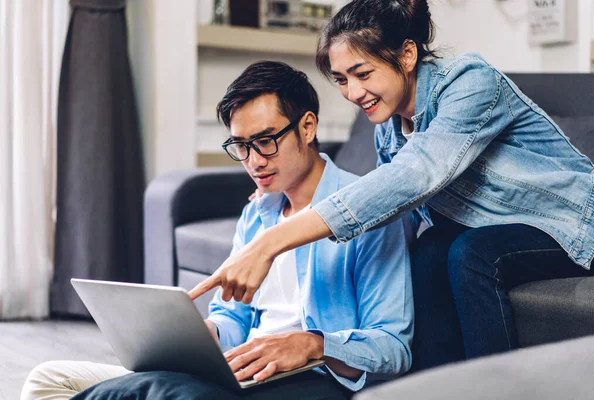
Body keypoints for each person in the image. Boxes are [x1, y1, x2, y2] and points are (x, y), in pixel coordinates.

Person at [189, 0, 594, 372]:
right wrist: (279, 191)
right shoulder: (388, 129)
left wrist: (270, 242)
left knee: (470, 255)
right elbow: (393, 208)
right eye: (341, 80)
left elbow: (414, 177)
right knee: (429, 251)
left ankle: (496, 389)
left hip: (576, 225)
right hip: (497, 229)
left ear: (406, 55)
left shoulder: (471, 83)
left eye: (362, 74)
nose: (353, 92)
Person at [22, 61, 416, 400]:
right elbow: (233, 318)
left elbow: (394, 347)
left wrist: (313, 344)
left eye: (265, 141)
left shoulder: (367, 211)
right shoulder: (258, 213)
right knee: (49, 379)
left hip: (304, 382)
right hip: (235, 373)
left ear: (308, 127)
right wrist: (204, 337)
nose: (253, 161)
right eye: (241, 145)